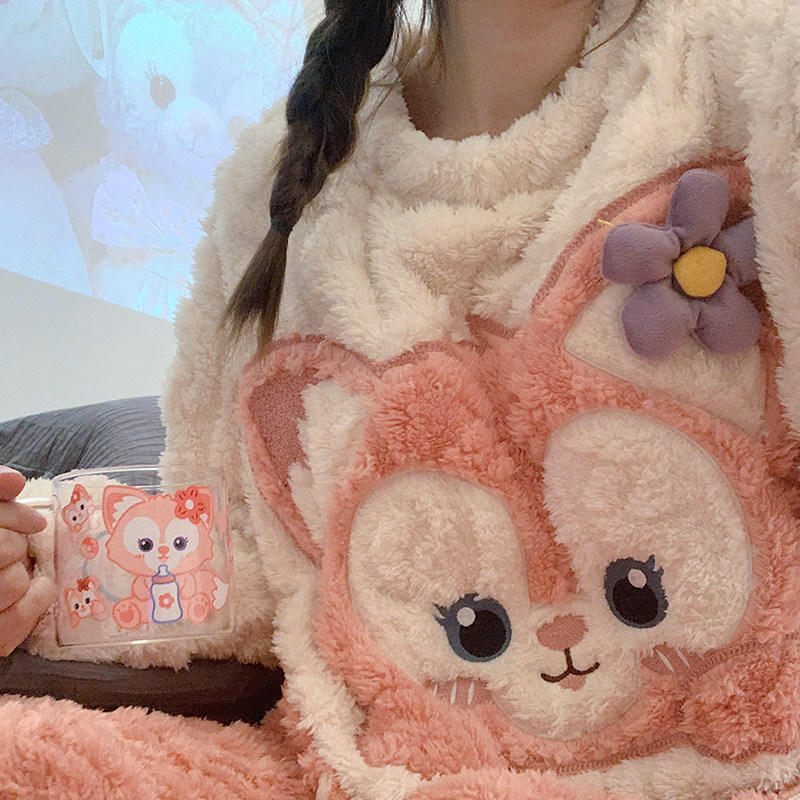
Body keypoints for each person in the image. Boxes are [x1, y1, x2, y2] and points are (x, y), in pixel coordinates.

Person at [2, 0, 800, 797]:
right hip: (382, 774)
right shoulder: (279, 182)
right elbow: (233, 569)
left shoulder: (761, 75)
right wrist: (35, 564)